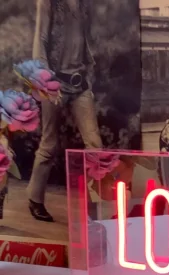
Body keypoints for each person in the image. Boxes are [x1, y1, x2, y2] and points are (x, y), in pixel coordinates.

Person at [28, 0, 103, 222]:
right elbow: (40, 42)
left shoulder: (83, 4)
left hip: (80, 83)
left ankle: (96, 202)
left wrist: (90, 72)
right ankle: (35, 198)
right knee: (50, 143)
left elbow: (85, 42)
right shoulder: (47, 2)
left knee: (95, 145)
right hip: (54, 81)